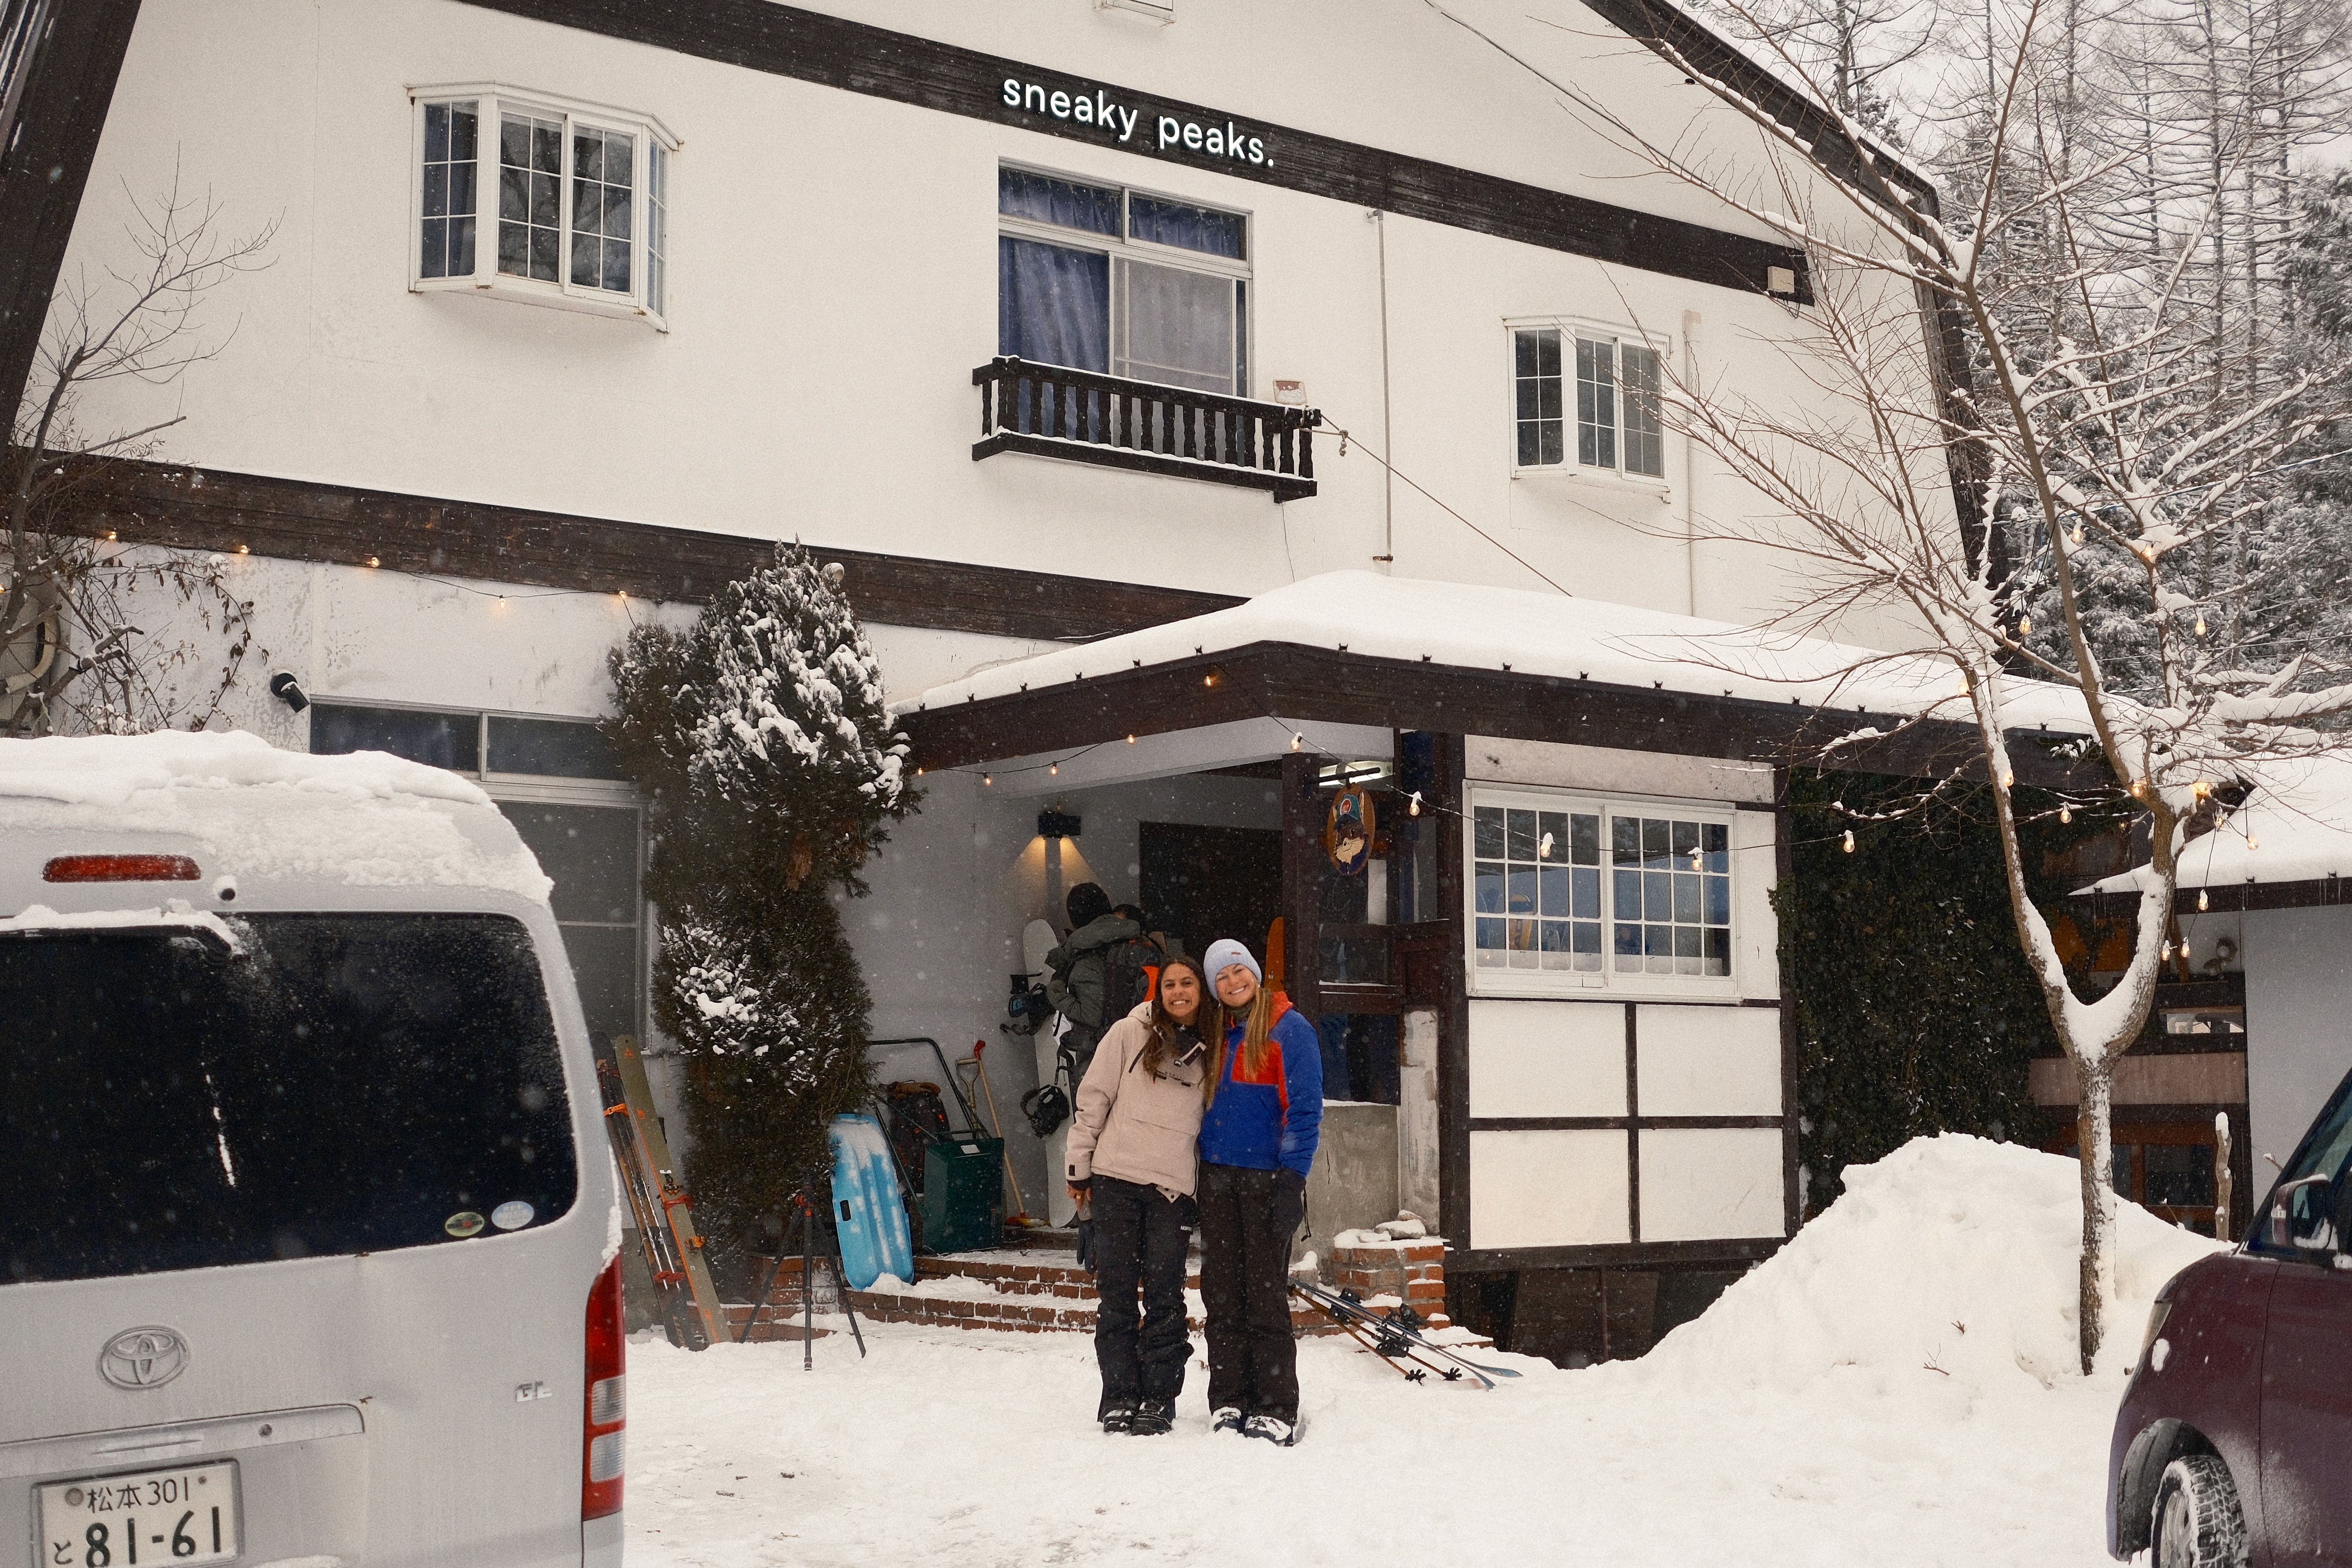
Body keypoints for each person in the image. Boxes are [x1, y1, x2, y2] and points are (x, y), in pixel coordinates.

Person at [1064, 954, 1213, 1436]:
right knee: (1117, 1297)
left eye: (1187, 983)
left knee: (1166, 1297)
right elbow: (1093, 1099)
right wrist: (1078, 1168)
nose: (1178, 991)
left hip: (1171, 1189)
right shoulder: (1129, 1033)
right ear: (1158, 991)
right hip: (1115, 1180)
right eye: (1169, 984)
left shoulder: (1216, 1045)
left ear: (1201, 990)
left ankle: (1159, 1397)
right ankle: (1120, 1395)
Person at [1194, 938, 1323, 1446]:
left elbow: (1305, 1110)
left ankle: (1275, 1404)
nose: (1232, 981)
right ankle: (1229, 1397)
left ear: (1254, 972)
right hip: (1217, 1177)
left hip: (1266, 1179)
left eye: (1238, 970)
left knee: (1264, 1294)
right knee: (1222, 1293)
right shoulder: (1214, 1033)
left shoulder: (1290, 1029)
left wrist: (1293, 1178)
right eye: (1221, 977)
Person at [1044, 884, 1153, 1064]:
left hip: (1113, 1061)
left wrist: (1055, 991)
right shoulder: (1142, 943)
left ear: (1075, 921)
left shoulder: (1087, 961)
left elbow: (1092, 1017)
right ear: (1107, 907)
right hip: (1152, 1049)